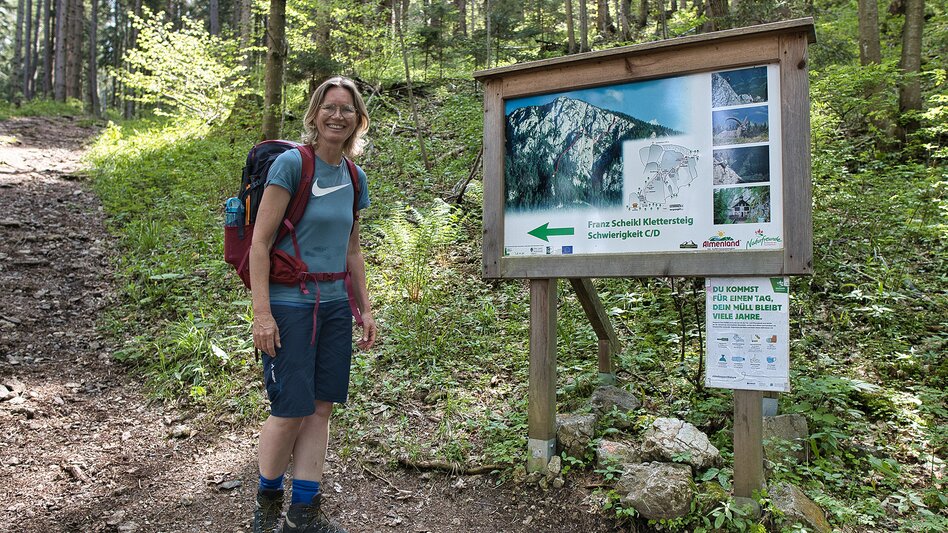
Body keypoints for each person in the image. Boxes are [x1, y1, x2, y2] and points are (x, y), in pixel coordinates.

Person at [249, 76, 377, 533]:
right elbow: (260, 244)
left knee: (321, 408)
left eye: (346, 109)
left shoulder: (354, 176)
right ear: (315, 114)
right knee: (289, 410)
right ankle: (266, 504)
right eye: (329, 107)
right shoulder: (291, 165)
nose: (337, 116)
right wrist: (261, 314)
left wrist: (365, 306)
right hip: (290, 306)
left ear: (358, 120)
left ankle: (303, 514)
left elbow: (352, 249)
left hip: (336, 305)